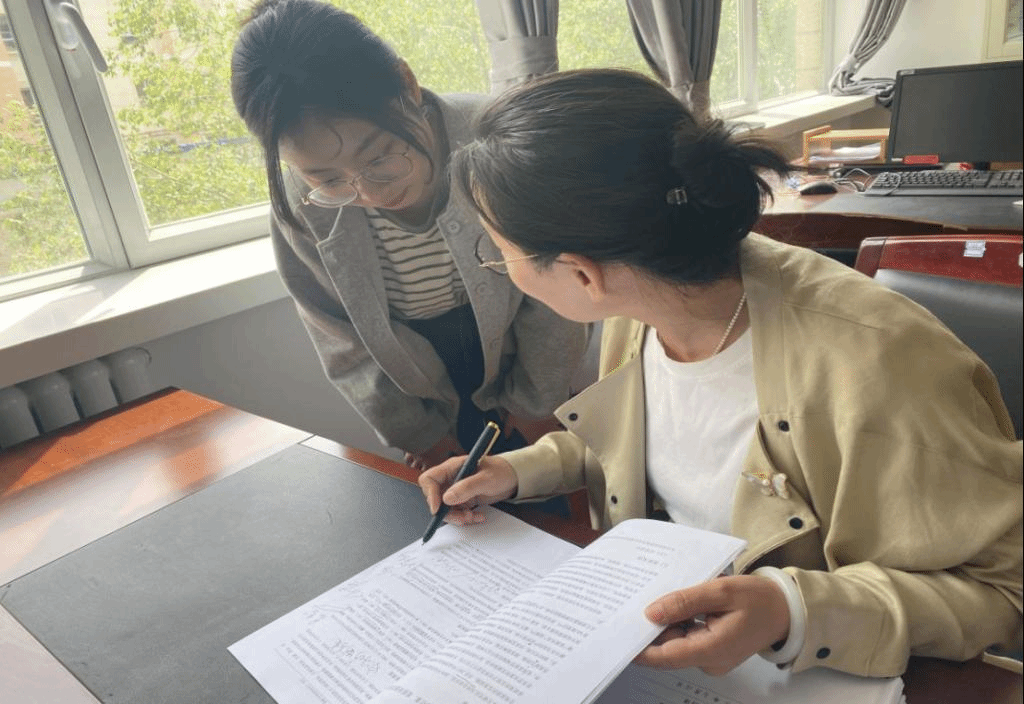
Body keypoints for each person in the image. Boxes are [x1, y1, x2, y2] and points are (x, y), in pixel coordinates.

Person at [419, 68, 1023, 678]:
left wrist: (792, 609)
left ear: (582, 274)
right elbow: (654, 442)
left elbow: (1004, 593)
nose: (501, 266)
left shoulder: (882, 365)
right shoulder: (643, 304)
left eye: (500, 251)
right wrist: (515, 471)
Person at [229, 0, 588, 471]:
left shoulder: (497, 141)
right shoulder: (302, 206)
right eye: (328, 179)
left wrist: (536, 403)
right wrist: (420, 435)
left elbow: (552, 293)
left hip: (521, 353)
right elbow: (341, 339)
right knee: (458, 502)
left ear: (407, 84)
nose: (372, 193)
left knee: (546, 485)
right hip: (415, 382)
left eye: (380, 157)